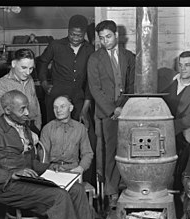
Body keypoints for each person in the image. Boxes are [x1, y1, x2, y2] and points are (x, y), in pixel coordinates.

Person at [0, 90, 95, 219]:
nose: (27, 113)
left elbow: (31, 163)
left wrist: (50, 167)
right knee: (58, 196)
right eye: (22, 109)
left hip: (28, 180)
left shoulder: (23, 127)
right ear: (7, 110)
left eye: (27, 107)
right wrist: (11, 173)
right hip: (7, 186)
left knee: (77, 190)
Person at [87, 20, 135, 207]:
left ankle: (128, 187)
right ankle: (112, 192)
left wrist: (124, 107)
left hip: (126, 109)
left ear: (116, 35)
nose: (105, 41)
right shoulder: (95, 59)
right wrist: (112, 109)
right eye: (101, 38)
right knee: (110, 152)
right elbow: (95, 89)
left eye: (108, 36)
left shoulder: (129, 56)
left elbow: (131, 85)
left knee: (128, 150)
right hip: (107, 113)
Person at [38, 14, 94, 125]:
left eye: (80, 36)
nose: (75, 38)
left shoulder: (90, 50)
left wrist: (84, 109)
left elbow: (90, 80)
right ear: (68, 30)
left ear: (85, 34)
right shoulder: (55, 45)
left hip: (78, 97)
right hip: (55, 95)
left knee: (80, 129)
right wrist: (44, 83)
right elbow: (42, 62)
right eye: (72, 34)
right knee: (54, 130)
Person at [162, 51, 190, 191]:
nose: (183, 69)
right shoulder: (169, 82)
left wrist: (173, 126)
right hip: (163, 129)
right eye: (180, 65)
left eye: (187, 65)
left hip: (180, 130)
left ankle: (178, 188)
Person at [40, 95, 93, 176]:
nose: (58, 110)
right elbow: (43, 154)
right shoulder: (47, 128)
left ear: (71, 108)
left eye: (62, 106)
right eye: (55, 107)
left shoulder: (80, 128)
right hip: (53, 170)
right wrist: (48, 170)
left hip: (73, 170)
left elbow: (87, 153)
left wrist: (81, 168)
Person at [0, 48, 42, 133]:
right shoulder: (1, 84)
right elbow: (2, 115)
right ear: (14, 63)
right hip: (15, 132)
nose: (28, 72)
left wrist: (38, 126)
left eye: (31, 68)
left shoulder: (30, 80)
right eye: (24, 68)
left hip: (33, 129)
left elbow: (36, 105)